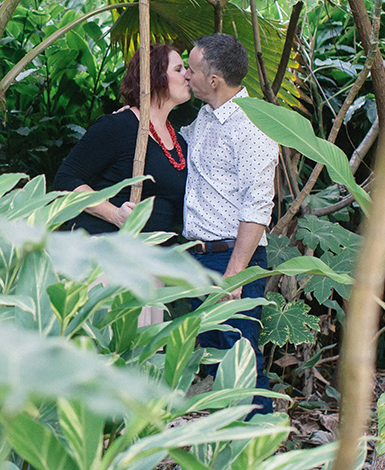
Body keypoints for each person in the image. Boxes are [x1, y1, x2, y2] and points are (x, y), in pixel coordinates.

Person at [181, 33, 279, 405]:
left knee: (239, 357)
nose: (187, 75)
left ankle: (259, 441)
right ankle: (227, 448)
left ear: (214, 80)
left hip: (231, 258)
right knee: (215, 357)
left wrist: (235, 272)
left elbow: (258, 206)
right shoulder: (206, 116)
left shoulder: (251, 125)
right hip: (200, 256)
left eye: (191, 69)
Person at [54, 44, 192, 239]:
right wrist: (114, 214)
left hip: (154, 259)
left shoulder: (180, 141)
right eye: (178, 69)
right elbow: (65, 180)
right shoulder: (119, 126)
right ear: (154, 77)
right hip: (107, 250)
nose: (187, 75)